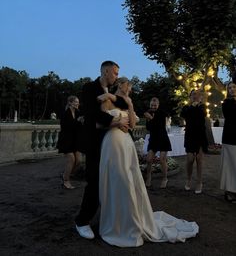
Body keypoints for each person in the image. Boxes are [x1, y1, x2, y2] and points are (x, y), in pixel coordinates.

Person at [99, 78, 199, 247]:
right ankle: (116, 221)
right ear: (120, 86)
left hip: (125, 143)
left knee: (129, 180)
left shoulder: (127, 102)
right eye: (127, 86)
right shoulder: (107, 100)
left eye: (130, 88)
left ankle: (131, 219)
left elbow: (131, 125)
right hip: (112, 143)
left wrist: (130, 106)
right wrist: (116, 122)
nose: (129, 89)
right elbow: (100, 123)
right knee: (118, 180)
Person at [74, 61, 129, 239]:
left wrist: (112, 98)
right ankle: (82, 221)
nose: (116, 76)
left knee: (111, 181)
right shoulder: (89, 88)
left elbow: (124, 103)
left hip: (110, 144)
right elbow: (92, 114)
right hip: (94, 144)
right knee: (94, 182)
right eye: (114, 73)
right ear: (105, 71)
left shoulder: (111, 92)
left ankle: (107, 217)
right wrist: (116, 122)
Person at [180, 90, 208, 194]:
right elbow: (184, 115)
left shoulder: (203, 107)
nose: (195, 96)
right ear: (190, 96)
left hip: (200, 136)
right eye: (193, 94)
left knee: (199, 160)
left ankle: (199, 182)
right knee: (190, 159)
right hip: (190, 136)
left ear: (200, 97)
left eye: (197, 94)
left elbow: (202, 115)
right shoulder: (186, 107)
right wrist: (192, 106)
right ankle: (188, 179)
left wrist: (196, 107)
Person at [144, 97, 172, 188]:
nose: (153, 107)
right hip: (153, 140)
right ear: (150, 105)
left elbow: (160, 125)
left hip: (163, 139)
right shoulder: (148, 113)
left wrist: (151, 119)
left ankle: (165, 178)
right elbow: (148, 128)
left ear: (158, 105)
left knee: (162, 159)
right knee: (148, 159)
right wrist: (148, 119)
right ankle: (149, 177)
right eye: (152, 105)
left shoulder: (162, 113)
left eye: (155, 105)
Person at [56, 96, 84, 189]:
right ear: (70, 102)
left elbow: (79, 127)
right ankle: (66, 181)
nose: (77, 104)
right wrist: (78, 121)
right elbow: (66, 128)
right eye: (76, 102)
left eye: (78, 102)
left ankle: (66, 175)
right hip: (66, 140)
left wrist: (82, 122)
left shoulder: (78, 112)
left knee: (79, 161)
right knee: (71, 159)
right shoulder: (65, 113)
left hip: (75, 141)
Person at [220, 81, 236, 203]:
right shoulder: (226, 103)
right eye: (229, 88)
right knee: (229, 165)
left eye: (234, 87)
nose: (232, 89)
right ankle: (229, 192)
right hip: (230, 137)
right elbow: (231, 116)